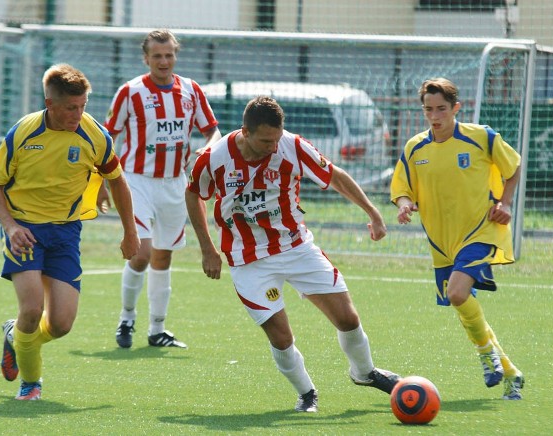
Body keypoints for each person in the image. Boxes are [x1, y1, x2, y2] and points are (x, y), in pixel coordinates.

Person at [185, 96, 401, 413]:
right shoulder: (214, 158)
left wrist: (373, 212)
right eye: (265, 141)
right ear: (245, 132)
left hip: (296, 246)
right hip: (249, 261)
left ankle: (365, 372)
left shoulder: (292, 146)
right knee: (281, 335)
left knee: (348, 318)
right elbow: (193, 195)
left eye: (277, 139)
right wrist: (207, 248)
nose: (274, 147)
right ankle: (307, 393)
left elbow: (334, 176)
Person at [0, 63, 140, 400]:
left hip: (66, 232)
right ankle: (31, 383)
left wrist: (130, 232)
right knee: (31, 309)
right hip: (24, 229)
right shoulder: (24, 132)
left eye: (83, 106)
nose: (78, 114)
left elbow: (117, 180)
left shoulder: (94, 134)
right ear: (50, 103)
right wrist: (10, 226)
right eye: (71, 107)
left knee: (61, 324)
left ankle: (16, 337)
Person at [390, 77, 524, 400]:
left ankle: (486, 356)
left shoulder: (481, 137)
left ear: (455, 108)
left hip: (480, 229)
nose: (435, 116)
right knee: (461, 303)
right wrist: (405, 206)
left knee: (459, 293)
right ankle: (509, 371)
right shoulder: (415, 148)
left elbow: (514, 166)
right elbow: (402, 190)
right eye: (428, 110)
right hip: (441, 243)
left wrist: (504, 203)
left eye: (441, 109)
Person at [101, 28, 221, 349]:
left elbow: (213, 130)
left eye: (169, 55)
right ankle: (126, 319)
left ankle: (157, 330)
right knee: (141, 254)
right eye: (157, 56)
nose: (164, 61)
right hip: (135, 180)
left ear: (175, 56)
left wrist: (206, 149)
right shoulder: (131, 92)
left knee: (163, 257)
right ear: (146, 58)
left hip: (174, 185)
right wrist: (101, 181)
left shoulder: (191, 90)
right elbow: (107, 138)